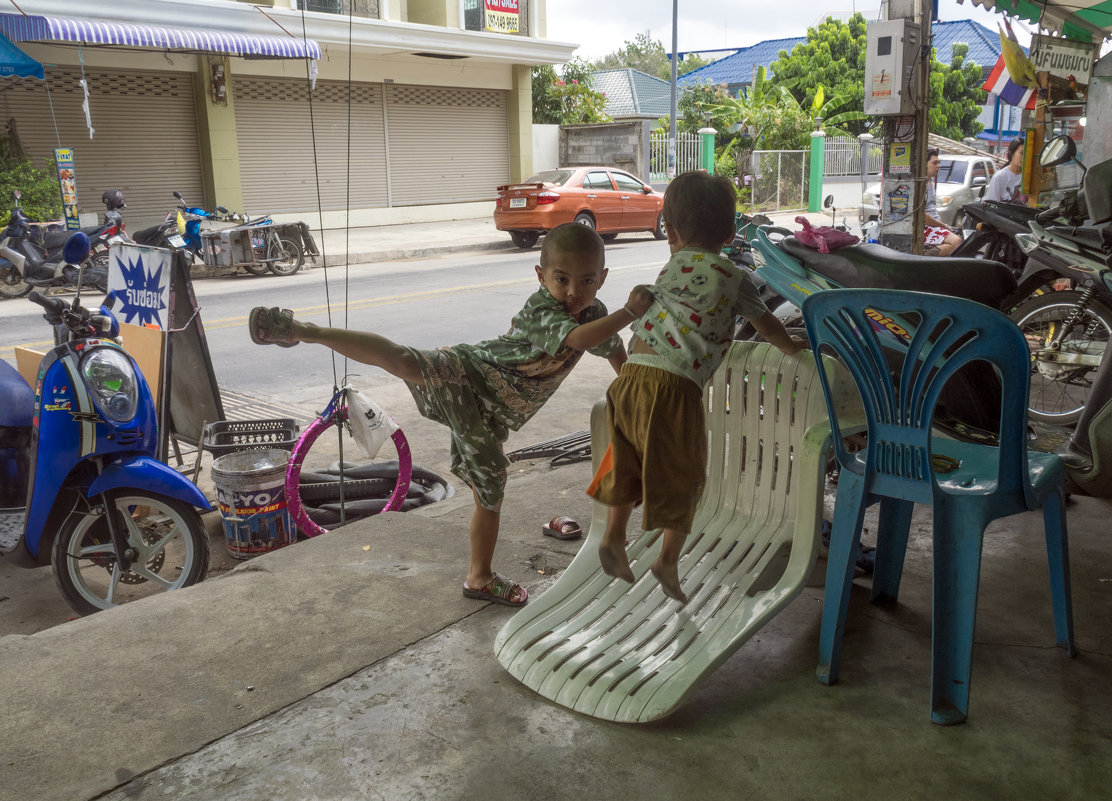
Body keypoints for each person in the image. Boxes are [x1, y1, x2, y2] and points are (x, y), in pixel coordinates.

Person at [247, 222, 653, 608]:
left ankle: (480, 573)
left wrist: (638, 390)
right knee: (405, 363)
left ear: (601, 278)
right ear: (540, 275)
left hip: (489, 412)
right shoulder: (542, 308)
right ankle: (303, 330)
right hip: (472, 374)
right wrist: (630, 311)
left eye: (585, 281)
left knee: (488, 490)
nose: (572, 291)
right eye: (561, 278)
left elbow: (612, 348)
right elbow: (581, 339)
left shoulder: (595, 313)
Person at [589, 171, 807, 604]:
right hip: (674, 387)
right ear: (729, 232)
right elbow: (764, 322)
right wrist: (790, 345)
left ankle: (614, 535)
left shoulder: (672, 266)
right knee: (684, 475)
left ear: (670, 231)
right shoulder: (735, 276)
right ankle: (667, 560)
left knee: (628, 456)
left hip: (631, 376)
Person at [924, 148, 962, 257]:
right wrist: (944, 226)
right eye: (934, 163)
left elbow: (933, 209)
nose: (938, 166)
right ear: (924, 164)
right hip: (926, 228)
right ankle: (924, 258)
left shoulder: (930, 182)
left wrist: (943, 226)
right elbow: (923, 216)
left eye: (939, 163)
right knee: (956, 242)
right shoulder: (920, 184)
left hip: (934, 226)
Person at [984, 138, 1024, 203]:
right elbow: (991, 206)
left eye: (1028, 154)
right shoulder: (999, 178)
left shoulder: (1029, 177)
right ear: (1011, 154)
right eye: (1022, 153)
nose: (1025, 157)